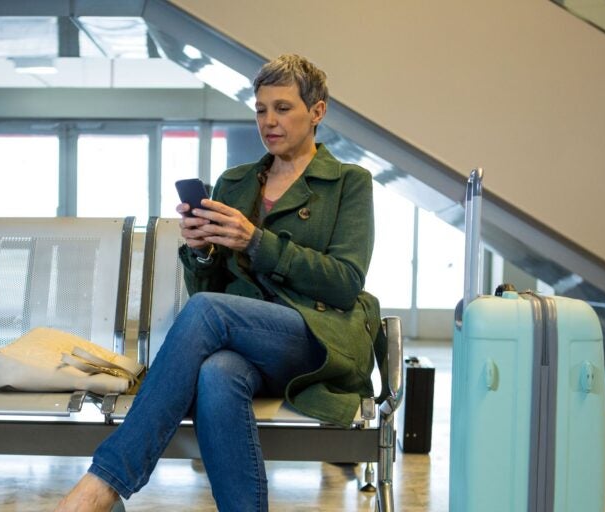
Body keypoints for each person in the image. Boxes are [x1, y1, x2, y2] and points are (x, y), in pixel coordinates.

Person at [55, 53, 383, 512]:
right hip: (245, 341)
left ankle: (103, 484)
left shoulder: (349, 182)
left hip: (314, 341)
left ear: (317, 111)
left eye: (283, 108)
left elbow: (345, 283)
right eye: (261, 109)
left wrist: (256, 241)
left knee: (209, 312)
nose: (268, 121)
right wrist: (202, 250)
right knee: (216, 373)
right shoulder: (236, 182)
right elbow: (213, 285)